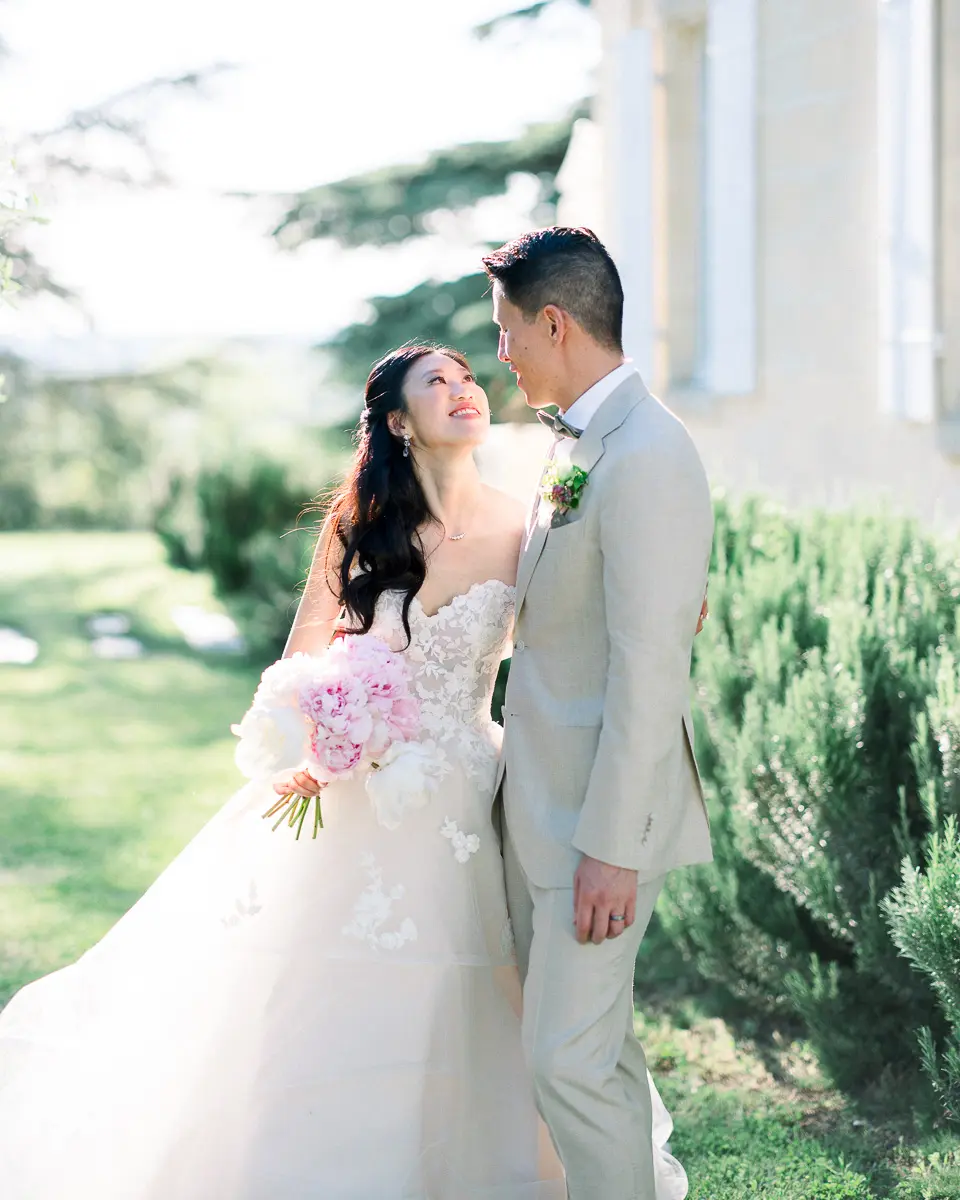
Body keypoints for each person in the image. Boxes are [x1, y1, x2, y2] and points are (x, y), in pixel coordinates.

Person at [0, 341, 687, 1198]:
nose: (464, 389)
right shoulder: (358, 527)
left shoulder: (527, 525)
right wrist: (316, 732)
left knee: (489, 997)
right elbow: (301, 658)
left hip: (472, 797)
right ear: (399, 422)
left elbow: (578, 630)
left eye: (468, 376)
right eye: (437, 383)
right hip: (357, 793)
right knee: (321, 992)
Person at [485, 227, 714, 1200]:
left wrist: (614, 848)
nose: (500, 353)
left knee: (567, 1067)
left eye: (506, 332)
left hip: (597, 828)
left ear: (553, 321)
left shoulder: (650, 452)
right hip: (541, 808)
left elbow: (651, 669)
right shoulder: (579, 443)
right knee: (593, 1058)